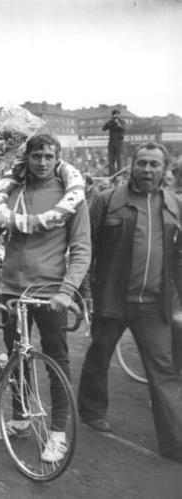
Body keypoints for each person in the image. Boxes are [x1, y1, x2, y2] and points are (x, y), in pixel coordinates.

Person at [0, 134, 91, 463]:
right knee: (17, 358)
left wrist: (67, 290)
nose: (42, 162)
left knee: (56, 360)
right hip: (12, 290)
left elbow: (83, 249)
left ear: (58, 159)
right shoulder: (11, 191)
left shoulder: (72, 196)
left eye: (48, 156)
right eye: (36, 156)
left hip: (50, 292)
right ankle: (20, 419)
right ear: (26, 158)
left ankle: (57, 433)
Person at [78, 141, 182, 462]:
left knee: (162, 371)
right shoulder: (107, 200)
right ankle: (92, 410)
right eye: (142, 164)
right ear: (132, 166)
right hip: (112, 298)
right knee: (100, 353)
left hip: (154, 304)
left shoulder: (175, 204)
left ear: (165, 170)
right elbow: (86, 248)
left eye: (154, 164)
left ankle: (175, 443)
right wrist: (84, 293)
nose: (147, 170)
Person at [103, 109, 126, 177]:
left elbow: (123, 129)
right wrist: (111, 122)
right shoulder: (110, 122)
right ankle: (111, 175)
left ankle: (119, 175)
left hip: (119, 142)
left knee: (119, 159)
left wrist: (117, 123)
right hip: (111, 142)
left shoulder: (122, 122)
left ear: (119, 115)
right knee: (111, 159)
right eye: (114, 114)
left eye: (117, 114)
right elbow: (104, 128)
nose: (116, 116)